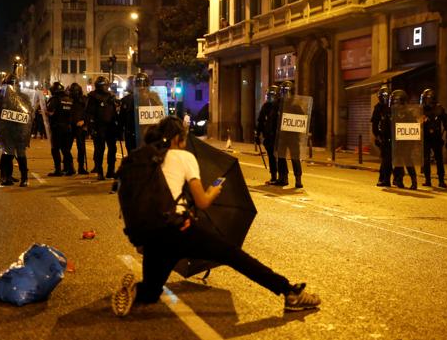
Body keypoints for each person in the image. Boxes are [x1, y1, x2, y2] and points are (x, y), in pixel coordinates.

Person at [112, 116, 321, 317]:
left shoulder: (145, 161)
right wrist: (213, 190)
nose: (185, 143)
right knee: (234, 255)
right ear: (177, 138)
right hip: (178, 231)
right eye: (184, 138)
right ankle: (290, 293)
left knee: (151, 293)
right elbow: (202, 201)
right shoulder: (183, 157)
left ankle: (135, 290)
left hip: (151, 236)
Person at [0, 73, 34, 187]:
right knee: (14, 154)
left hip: (14, 130)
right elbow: (31, 112)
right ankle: (17, 177)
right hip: (14, 130)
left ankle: (10, 177)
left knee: (12, 153)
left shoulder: (4, 96)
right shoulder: (17, 96)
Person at [85, 76, 119, 180]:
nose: (105, 87)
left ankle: (110, 170)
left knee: (112, 149)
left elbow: (114, 112)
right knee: (99, 150)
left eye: (106, 85)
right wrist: (91, 128)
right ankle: (99, 171)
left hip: (110, 126)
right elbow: (89, 114)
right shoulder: (93, 97)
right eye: (103, 86)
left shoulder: (110, 97)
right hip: (99, 126)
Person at [275, 81, 304, 188]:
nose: (284, 94)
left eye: (286, 92)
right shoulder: (280, 105)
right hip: (282, 136)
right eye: (283, 92)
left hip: (293, 137)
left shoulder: (296, 106)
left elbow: (302, 120)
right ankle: (284, 177)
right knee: (281, 157)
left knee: (295, 158)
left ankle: (298, 179)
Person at [389, 89, 418, 190]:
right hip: (397, 142)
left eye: (398, 102)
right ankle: (398, 180)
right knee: (397, 162)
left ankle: (414, 182)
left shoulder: (408, 114)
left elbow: (413, 128)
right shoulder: (393, 114)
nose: (396, 104)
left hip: (406, 143)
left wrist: (411, 143)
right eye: (395, 102)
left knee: (408, 161)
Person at [420, 89, 447, 188]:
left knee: (439, 159)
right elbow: (417, 123)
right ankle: (428, 180)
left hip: (436, 137)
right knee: (426, 159)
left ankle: (441, 180)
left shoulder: (439, 108)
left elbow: (446, 122)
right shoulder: (421, 109)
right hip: (426, 137)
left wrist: (446, 134)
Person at [47, 82, 75, 176]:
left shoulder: (55, 99)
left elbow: (50, 112)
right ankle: (71, 168)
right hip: (68, 127)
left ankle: (58, 170)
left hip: (57, 127)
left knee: (55, 149)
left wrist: (44, 113)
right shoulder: (70, 99)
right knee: (66, 149)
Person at [255, 84, 280, 185]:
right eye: (269, 95)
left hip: (278, 135)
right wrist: (258, 134)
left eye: (272, 95)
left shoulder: (280, 106)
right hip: (270, 136)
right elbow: (261, 121)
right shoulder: (266, 107)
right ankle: (274, 176)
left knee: (277, 157)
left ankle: (282, 177)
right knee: (272, 156)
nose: (270, 97)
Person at [371, 85, 392, 187]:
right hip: (383, 137)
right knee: (386, 159)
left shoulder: (392, 107)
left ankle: (397, 179)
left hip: (394, 137)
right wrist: (378, 136)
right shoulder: (378, 108)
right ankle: (383, 178)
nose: (385, 98)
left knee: (395, 159)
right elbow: (375, 125)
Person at [69, 82, 89, 174]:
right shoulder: (68, 100)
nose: (74, 93)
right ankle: (69, 167)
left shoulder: (84, 100)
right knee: (66, 148)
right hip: (69, 125)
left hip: (79, 126)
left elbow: (88, 112)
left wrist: (84, 121)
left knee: (81, 148)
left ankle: (81, 167)